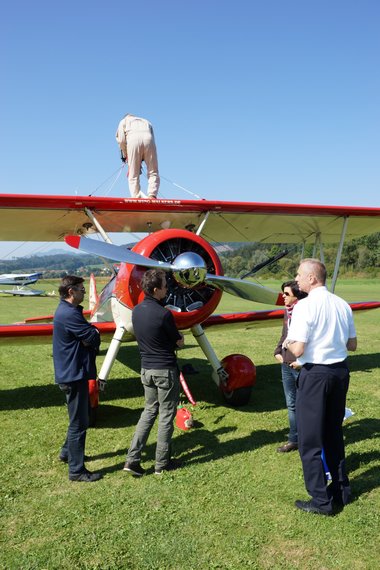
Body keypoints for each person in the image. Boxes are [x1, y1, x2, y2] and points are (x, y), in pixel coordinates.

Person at [284, 259, 357, 515]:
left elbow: (299, 348)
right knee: (333, 434)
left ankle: (320, 500)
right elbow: (352, 345)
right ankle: (341, 491)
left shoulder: (305, 306)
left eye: (299, 276)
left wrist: (288, 343)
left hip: (316, 375)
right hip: (340, 372)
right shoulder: (342, 304)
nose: (297, 280)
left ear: (312, 278)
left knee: (310, 440)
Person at [124, 269, 184, 476]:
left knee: (148, 412)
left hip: (146, 370)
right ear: (156, 289)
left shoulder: (136, 311)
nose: (167, 289)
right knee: (166, 415)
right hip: (165, 370)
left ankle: (132, 459)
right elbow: (178, 341)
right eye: (165, 286)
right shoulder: (164, 313)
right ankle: (162, 463)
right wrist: (180, 339)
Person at [53, 275, 102, 483]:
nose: (84, 292)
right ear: (71, 292)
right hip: (74, 375)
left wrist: (90, 335)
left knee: (77, 419)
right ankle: (76, 470)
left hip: (72, 373)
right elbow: (92, 337)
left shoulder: (68, 311)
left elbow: (88, 337)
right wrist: (94, 332)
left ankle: (67, 453)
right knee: (79, 423)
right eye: (81, 289)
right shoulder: (69, 314)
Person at [274, 280, 307, 453]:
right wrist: (277, 351)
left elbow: (313, 339)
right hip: (286, 363)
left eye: (286, 294)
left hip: (301, 365)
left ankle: (310, 439)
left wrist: (301, 362)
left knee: (307, 404)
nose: (283, 297)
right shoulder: (287, 312)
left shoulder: (306, 311)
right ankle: (294, 439)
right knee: (291, 404)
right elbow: (285, 334)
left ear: (297, 296)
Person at [115, 113, 160, 199]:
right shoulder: (147, 121)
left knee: (133, 173)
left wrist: (126, 155)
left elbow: (121, 140)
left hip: (132, 140)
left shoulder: (123, 121)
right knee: (153, 170)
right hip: (149, 140)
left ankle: (136, 198)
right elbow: (152, 139)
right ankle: (152, 195)